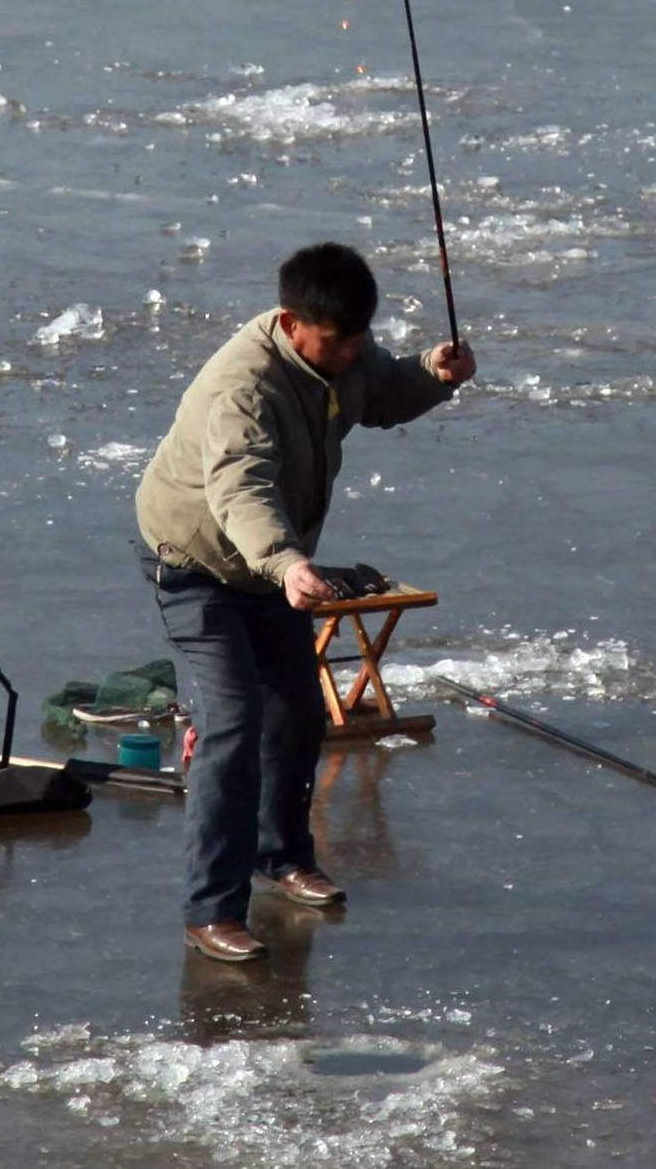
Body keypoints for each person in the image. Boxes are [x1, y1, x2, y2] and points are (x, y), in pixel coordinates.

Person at [135, 242, 474, 962]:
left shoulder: (344, 349)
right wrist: (288, 562)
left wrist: (432, 374)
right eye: (337, 341)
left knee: (297, 711)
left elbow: (381, 390)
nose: (351, 352)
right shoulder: (243, 387)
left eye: (358, 338)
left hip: (268, 568)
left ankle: (280, 856)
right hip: (194, 562)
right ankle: (210, 909)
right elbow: (240, 486)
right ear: (292, 322)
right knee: (233, 723)